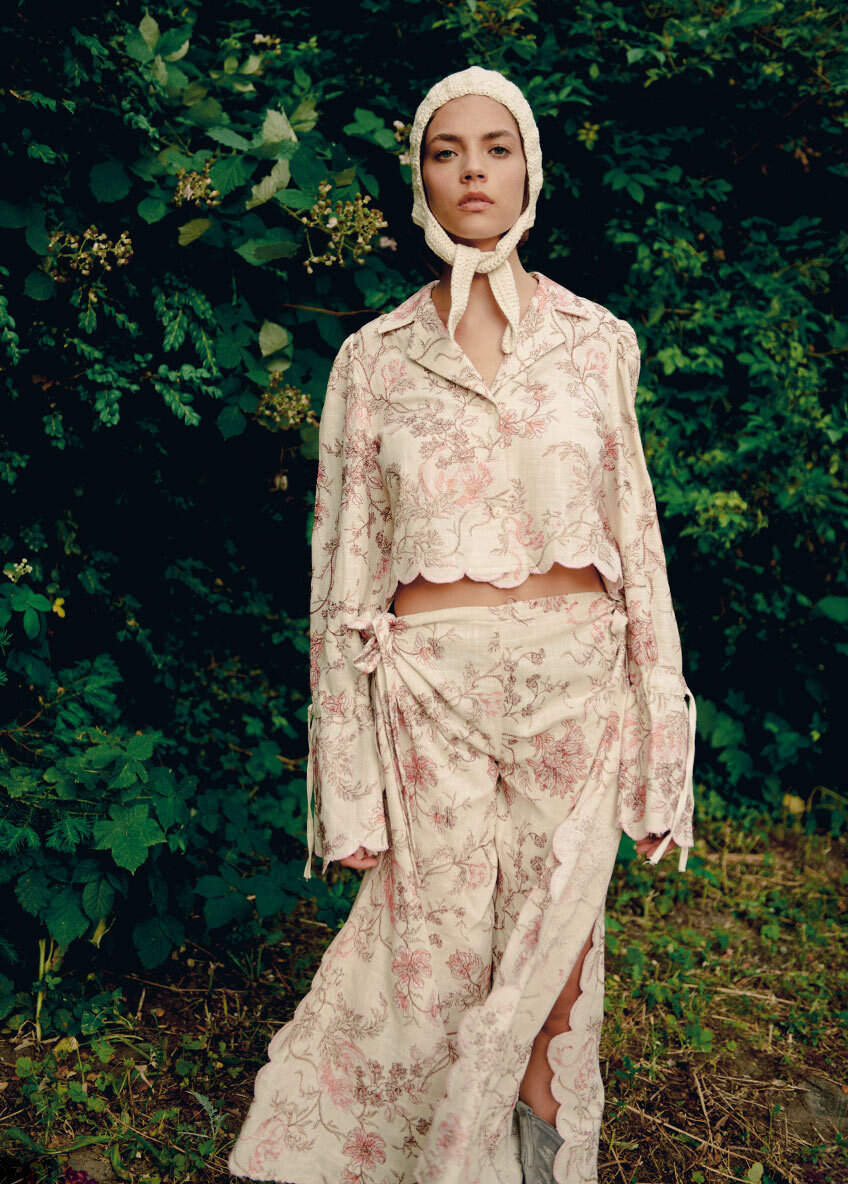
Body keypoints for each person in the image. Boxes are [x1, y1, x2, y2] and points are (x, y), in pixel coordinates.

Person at [228, 65, 697, 1184]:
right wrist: (345, 782)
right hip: (428, 700)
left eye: (495, 148)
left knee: (554, 967)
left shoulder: (597, 342)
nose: (472, 171)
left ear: (529, 169)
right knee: (427, 960)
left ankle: (536, 1161)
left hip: (576, 690)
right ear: (420, 177)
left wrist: (660, 744)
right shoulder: (372, 361)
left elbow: (636, 538)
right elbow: (342, 575)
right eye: (447, 151)